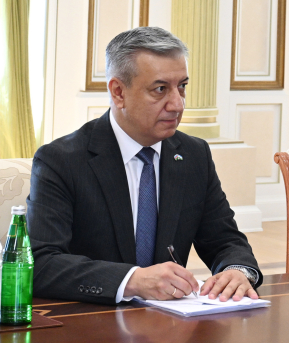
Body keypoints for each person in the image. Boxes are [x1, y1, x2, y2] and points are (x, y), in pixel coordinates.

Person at [27, 27, 262, 305]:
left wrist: (237, 271)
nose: (177, 104)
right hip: (91, 317)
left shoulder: (193, 154)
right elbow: (40, 263)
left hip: (172, 320)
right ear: (118, 92)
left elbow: (224, 240)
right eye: (160, 89)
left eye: (182, 86)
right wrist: (131, 280)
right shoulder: (61, 160)